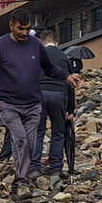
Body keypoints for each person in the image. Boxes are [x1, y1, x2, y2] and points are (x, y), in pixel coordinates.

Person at [0, 9, 81, 193]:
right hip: (8, 104)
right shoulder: (0, 46)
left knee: (31, 144)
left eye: (27, 29)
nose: (24, 32)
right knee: (20, 140)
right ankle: (21, 182)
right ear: (11, 25)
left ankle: (22, 177)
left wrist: (66, 77)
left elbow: (49, 68)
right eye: (20, 28)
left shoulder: (35, 45)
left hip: (33, 104)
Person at [35, 30, 73, 177]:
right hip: (60, 95)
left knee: (38, 132)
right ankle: (56, 168)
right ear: (56, 42)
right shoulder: (64, 57)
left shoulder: (37, 56)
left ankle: (34, 167)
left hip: (40, 95)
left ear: (41, 42)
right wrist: (71, 110)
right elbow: (71, 84)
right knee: (58, 132)